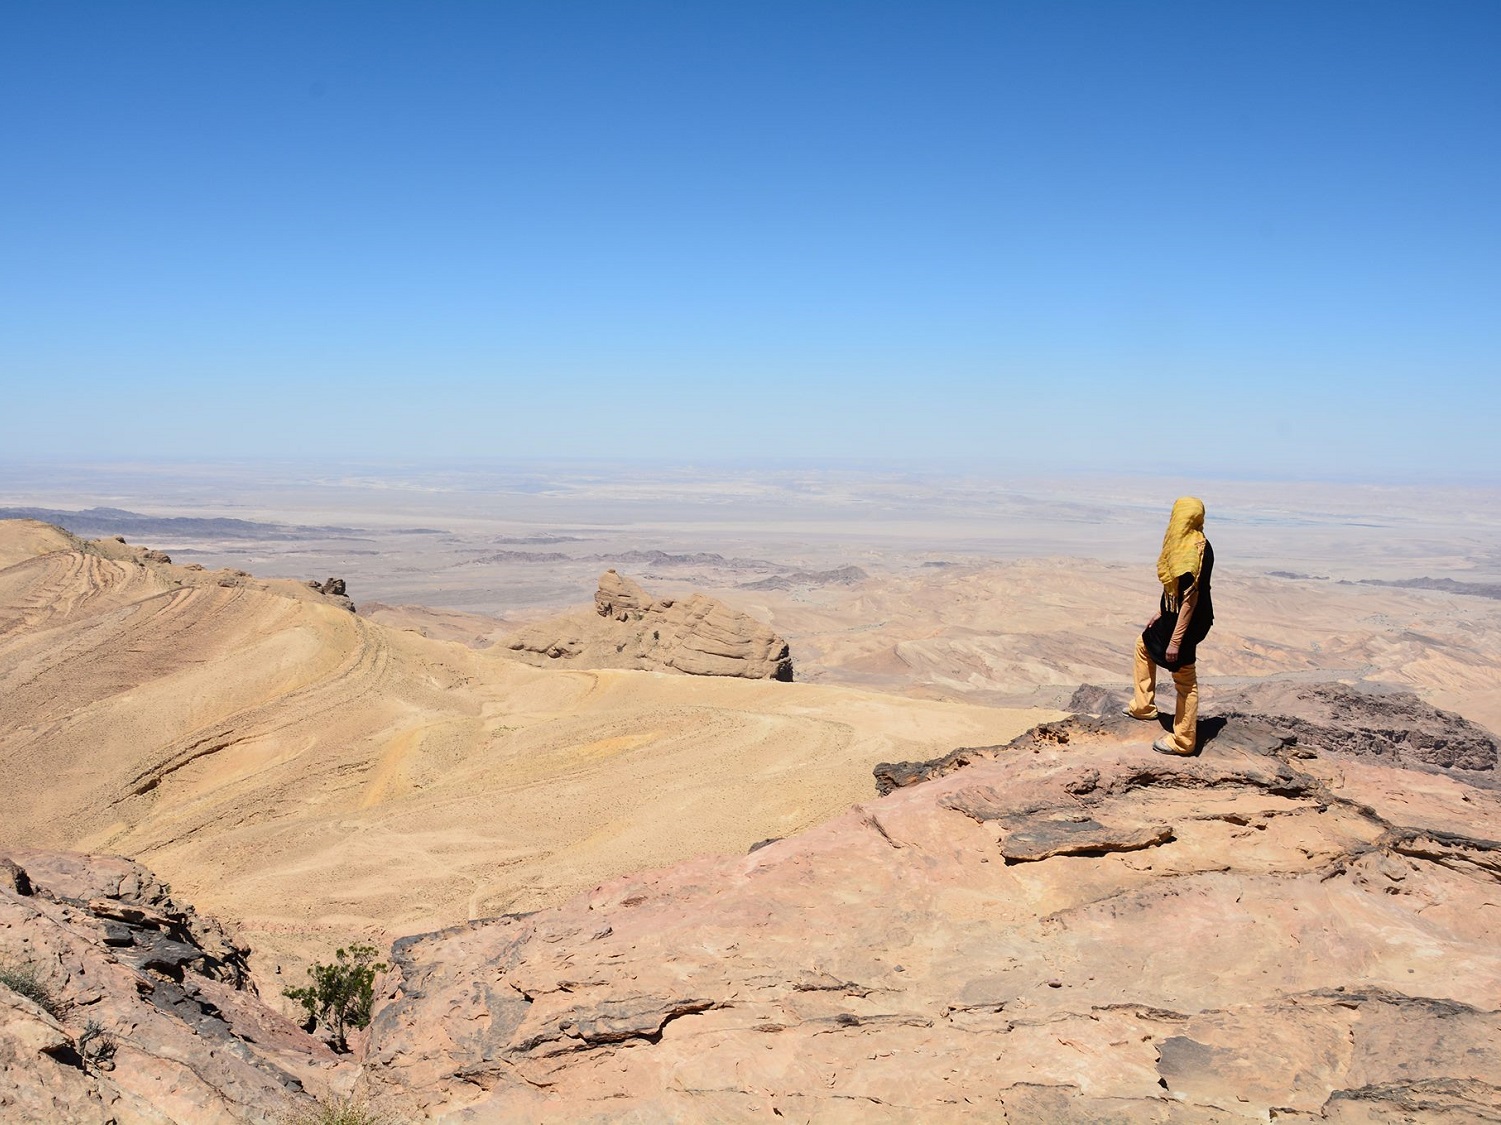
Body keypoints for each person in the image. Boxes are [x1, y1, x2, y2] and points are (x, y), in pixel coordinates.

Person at [1125, 496, 1214, 755]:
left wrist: (1176, 641)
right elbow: (1177, 592)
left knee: (1184, 677)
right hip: (1176, 614)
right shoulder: (1197, 543)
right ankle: (1143, 707)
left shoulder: (1190, 551)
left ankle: (1184, 741)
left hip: (1188, 620)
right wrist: (1161, 610)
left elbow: (1190, 599)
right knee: (1144, 644)